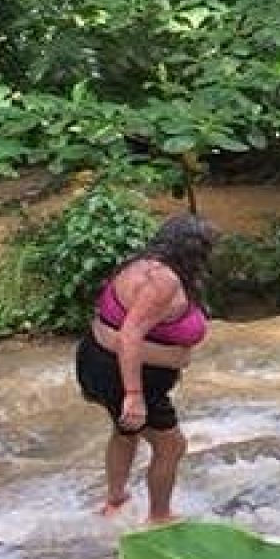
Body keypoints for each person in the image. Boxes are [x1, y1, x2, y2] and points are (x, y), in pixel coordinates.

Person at [77, 212, 216, 524]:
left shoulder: (144, 263)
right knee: (171, 446)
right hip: (122, 374)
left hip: (101, 362)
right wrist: (134, 395)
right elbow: (129, 335)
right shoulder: (162, 280)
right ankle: (159, 517)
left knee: (125, 432)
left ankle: (115, 501)